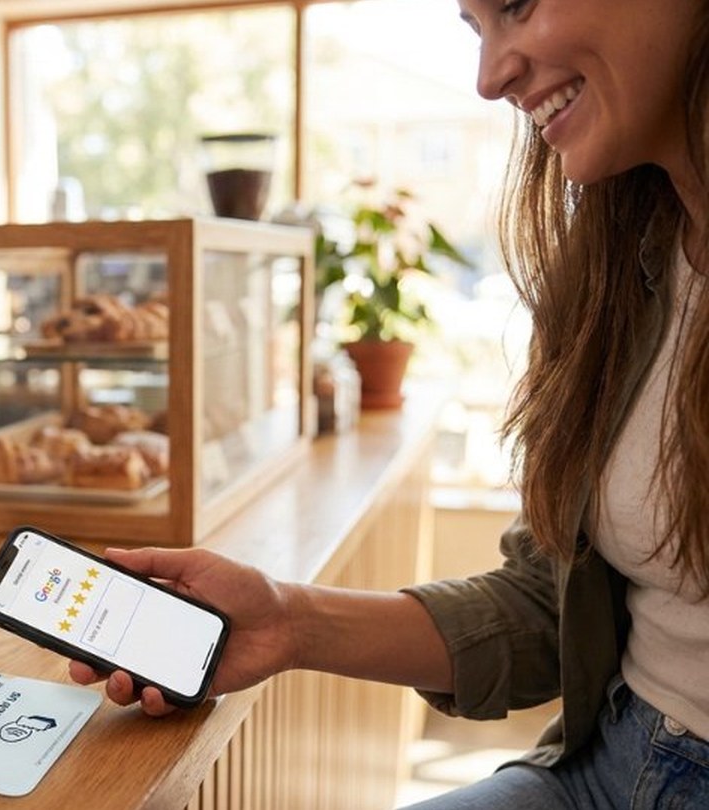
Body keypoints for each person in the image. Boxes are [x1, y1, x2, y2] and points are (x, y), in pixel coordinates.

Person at [70, 2, 709, 807]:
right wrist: (285, 620)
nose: (490, 77)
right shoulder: (619, 278)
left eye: (516, 5)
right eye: (476, 32)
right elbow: (551, 607)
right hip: (610, 761)